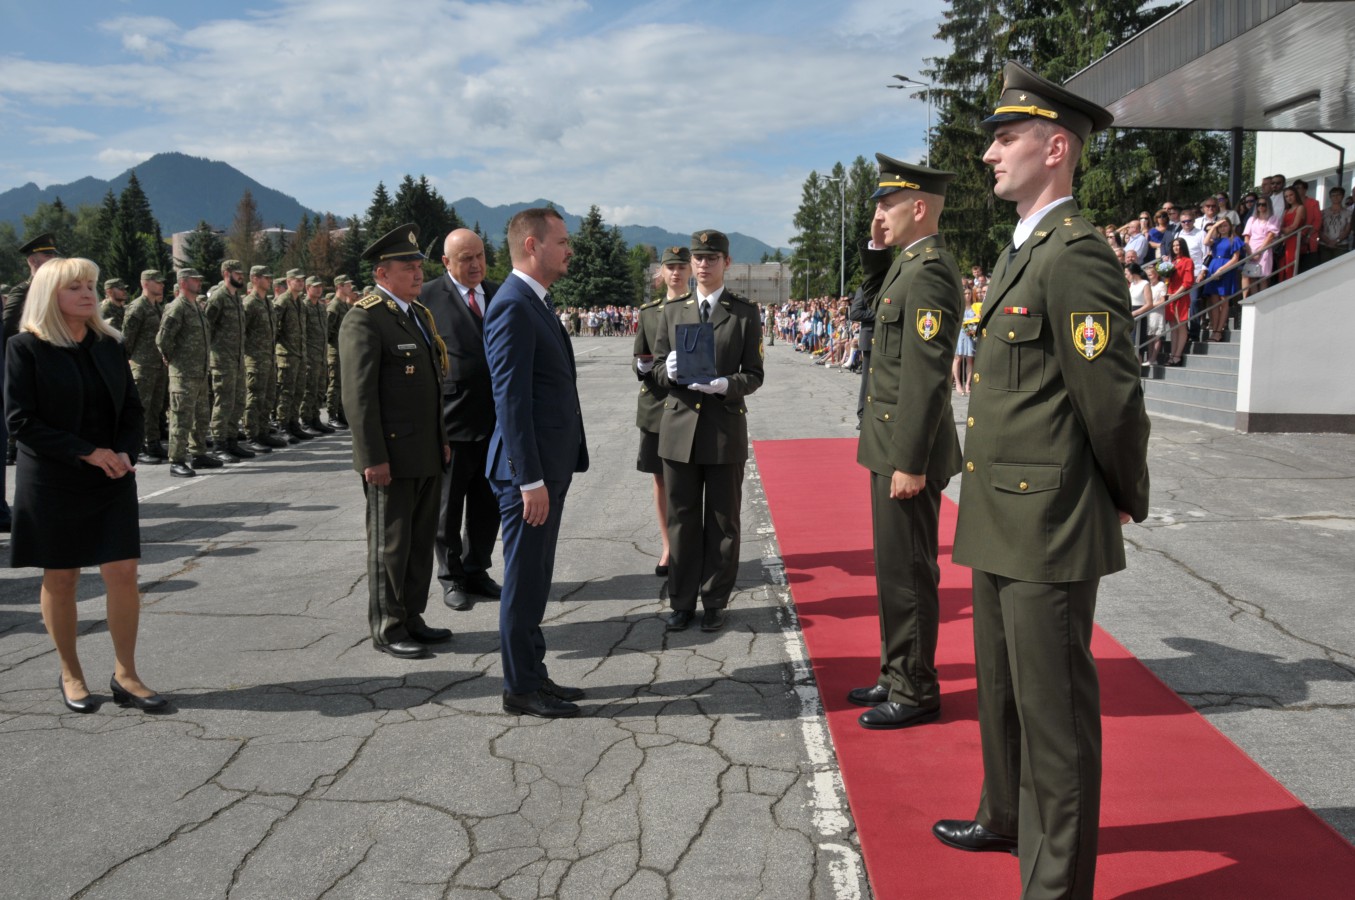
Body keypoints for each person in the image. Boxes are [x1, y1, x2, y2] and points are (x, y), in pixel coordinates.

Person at [934, 62, 1150, 900]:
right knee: (1001, 690)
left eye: (1006, 137)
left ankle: (1055, 885)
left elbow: (1112, 400)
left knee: (1052, 714)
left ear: (1055, 148)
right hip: (998, 513)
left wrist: (1121, 493)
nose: (989, 153)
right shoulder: (1020, 249)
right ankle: (1003, 816)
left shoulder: (1075, 255)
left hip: (1048, 522)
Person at [6, 257, 166, 713]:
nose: (87, 293)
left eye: (90, 285)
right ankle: (71, 673)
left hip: (111, 473)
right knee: (62, 576)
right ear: (48, 294)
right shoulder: (25, 347)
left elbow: (132, 409)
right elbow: (20, 421)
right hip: (53, 476)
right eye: (74, 286)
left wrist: (124, 452)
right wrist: (87, 452)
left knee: (123, 572)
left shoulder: (109, 343)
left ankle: (126, 675)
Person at [849, 156, 963, 731]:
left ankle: (915, 689)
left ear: (918, 208)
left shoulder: (931, 272)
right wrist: (874, 249)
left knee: (910, 573)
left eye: (887, 204)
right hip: (889, 444)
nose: (879, 213)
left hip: (906, 453)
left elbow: (926, 375)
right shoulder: (906, 265)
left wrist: (910, 462)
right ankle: (896, 671)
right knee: (892, 570)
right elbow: (867, 309)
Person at [483, 208, 589, 718]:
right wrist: (529, 479)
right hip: (528, 476)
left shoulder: (534, 301)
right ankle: (520, 688)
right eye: (562, 241)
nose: (570, 249)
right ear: (532, 245)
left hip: (546, 469)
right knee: (524, 581)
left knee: (536, 579)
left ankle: (533, 672)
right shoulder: (512, 305)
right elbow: (511, 402)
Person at [338, 224, 452, 660]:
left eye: (419, 265)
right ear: (382, 273)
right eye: (408, 266)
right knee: (390, 545)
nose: (418, 273)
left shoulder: (418, 314)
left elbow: (431, 388)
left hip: (425, 450)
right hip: (391, 455)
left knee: (420, 543)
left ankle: (412, 616)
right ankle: (388, 626)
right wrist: (372, 457)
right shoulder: (365, 317)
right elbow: (359, 396)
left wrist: (442, 439)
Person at [651, 230, 764, 633]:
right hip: (679, 428)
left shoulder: (744, 313)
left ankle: (715, 599)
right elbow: (656, 368)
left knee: (722, 521)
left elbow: (754, 374)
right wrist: (669, 372)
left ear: (726, 263)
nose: (702, 265)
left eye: (711, 258)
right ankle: (681, 601)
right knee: (681, 521)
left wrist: (726, 385)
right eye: (698, 258)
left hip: (722, 428)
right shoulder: (672, 310)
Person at [419, 228, 504, 612]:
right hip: (453, 422)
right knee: (448, 509)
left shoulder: (499, 293)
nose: (475, 265)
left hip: (496, 422)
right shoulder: (427, 298)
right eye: (466, 258)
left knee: (488, 505)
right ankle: (451, 576)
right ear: (446, 262)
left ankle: (476, 568)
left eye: (480, 256)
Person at [633, 246, 691, 576]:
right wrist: (643, 367)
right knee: (660, 479)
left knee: (690, 478)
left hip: (692, 403)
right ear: (662, 271)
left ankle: (691, 544)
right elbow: (639, 357)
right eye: (671, 267)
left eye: (682, 266)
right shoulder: (649, 312)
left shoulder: (700, 308)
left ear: (689, 270)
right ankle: (669, 546)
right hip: (656, 404)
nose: (676, 272)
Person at [156, 269, 221, 477]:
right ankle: (176, 460)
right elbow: (163, 339)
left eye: (199, 280)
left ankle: (198, 454)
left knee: (201, 416)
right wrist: (172, 359)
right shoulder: (178, 307)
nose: (199, 283)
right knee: (181, 418)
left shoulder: (196, 307)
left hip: (199, 372)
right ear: (183, 283)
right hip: (183, 373)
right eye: (195, 280)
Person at [204, 260, 254, 463]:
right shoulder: (218, 298)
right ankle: (219, 445)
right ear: (226, 274)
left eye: (242, 273)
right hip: (222, 360)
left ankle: (232, 441)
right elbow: (206, 327)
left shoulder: (236, 298)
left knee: (238, 401)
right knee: (223, 402)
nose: (241, 276)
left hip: (237, 359)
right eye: (237, 273)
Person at [122, 269, 169, 461]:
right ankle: (138, 447)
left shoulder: (157, 307)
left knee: (156, 408)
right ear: (146, 283)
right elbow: (127, 339)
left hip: (157, 365)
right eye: (158, 282)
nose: (162, 285)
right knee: (140, 408)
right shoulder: (137, 308)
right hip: (143, 366)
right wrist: (129, 362)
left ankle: (153, 443)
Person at [242, 265, 284, 452]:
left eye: (270, 277)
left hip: (269, 358)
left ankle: (263, 431)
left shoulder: (267, 302)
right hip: (255, 360)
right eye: (266, 278)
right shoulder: (249, 303)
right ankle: (252, 435)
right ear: (255, 279)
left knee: (268, 398)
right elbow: (242, 331)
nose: (270, 280)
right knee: (254, 398)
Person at [273, 268, 313, 441]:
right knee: (286, 391)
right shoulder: (283, 301)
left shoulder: (300, 303)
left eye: (302, 280)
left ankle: (293, 423)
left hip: (300, 354)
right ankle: (283, 425)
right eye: (297, 280)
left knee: (298, 391)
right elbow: (273, 326)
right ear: (289, 282)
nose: (301, 283)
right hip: (287, 354)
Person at [301, 276, 334, 434]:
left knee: (320, 390)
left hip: (321, 355)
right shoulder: (304, 306)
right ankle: (306, 421)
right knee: (309, 390)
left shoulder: (321, 307)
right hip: (309, 355)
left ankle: (316, 418)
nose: (319, 289)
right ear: (307, 288)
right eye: (315, 286)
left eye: (320, 286)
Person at [1203, 218, 1243, 341]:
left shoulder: (1234, 239)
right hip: (1213, 267)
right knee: (1214, 302)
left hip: (1226, 269)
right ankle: (1214, 329)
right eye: (1221, 226)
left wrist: (1222, 269)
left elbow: (1235, 258)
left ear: (1230, 226)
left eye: (1225, 225)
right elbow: (1205, 242)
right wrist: (1214, 226)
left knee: (1224, 301)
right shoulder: (1216, 239)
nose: (1223, 228)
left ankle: (1219, 331)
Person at [324, 275, 356, 428]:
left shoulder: (345, 305)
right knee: (335, 384)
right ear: (339, 287)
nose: (350, 288)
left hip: (345, 351)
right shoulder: (334, 306)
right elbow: (327, 331)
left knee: (344, 385)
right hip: (335, 352)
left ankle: (341, 413)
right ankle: (332, 415)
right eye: (347, 285)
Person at [1164, 237, 1194, 365]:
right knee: (1173, 327)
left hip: (1180, 296)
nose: (1176, 248)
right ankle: (1172, 355)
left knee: (1181, 326)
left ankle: (1177, 355)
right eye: (1174, 245)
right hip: (1171, 295)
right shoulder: (1172, 262)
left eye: (1178, 245)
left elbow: (1187, 282)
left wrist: (1176, 295)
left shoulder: (1188, 261)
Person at [1241, 197, 1279, 297]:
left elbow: (1270, 236)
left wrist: (1260, 251)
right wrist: (1249, 251)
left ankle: (1262, 300)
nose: (1261, 206)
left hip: (1264, 249)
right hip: (1251, 249)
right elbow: (1246, 236)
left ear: (1268, 205)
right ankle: (1254, 300)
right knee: (1252, 277)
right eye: (1258, 204)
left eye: (1263, 204)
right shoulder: (1252, 219)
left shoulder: (1273, 218)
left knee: (1263, 277)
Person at [1276, 185, 1306, 282]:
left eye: (1291, 195)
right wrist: (1283, 230)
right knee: (1282, 265)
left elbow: (1294, 226)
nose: (1289, 198)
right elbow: (1280, 226)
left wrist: (1282, 230)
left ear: (1295, 195)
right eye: (1286, 196)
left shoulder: (1300, 207)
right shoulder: (1286, 210)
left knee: (1291, 265)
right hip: (1285, 240)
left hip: (1294, 239)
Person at [1319, 186, 1351, 265]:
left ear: (1342, 196)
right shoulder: (1323, 213)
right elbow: (1318, 229)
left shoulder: (1348, 213)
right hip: (1324, 245)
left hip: (1341, 245)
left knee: (1340, 267)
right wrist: (1328, 241)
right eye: (1333, 195)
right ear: (1330, 197)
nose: (1335, 197)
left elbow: (1347, 230)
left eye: (1338, 195)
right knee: (1324, 267)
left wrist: (1336, 241)